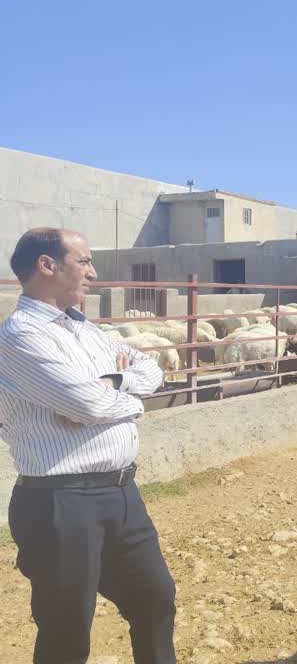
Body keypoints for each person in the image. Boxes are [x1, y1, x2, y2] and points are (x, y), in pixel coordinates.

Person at [0, 228, 176, 664]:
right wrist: (130, 403)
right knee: (67, 632)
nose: (93, 273)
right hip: (61, 502)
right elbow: (87, 404)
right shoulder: (20, 335)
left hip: (122, 494)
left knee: (155, 600)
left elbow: (152, 370)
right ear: (46, 265)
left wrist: (114, 381)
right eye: (83, 261)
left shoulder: (87, 330)